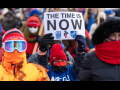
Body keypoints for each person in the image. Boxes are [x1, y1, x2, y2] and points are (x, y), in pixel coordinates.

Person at [77, 17, 120, 81]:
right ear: (105, 37)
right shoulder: (92, 58)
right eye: (112, 35)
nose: (117, 39)